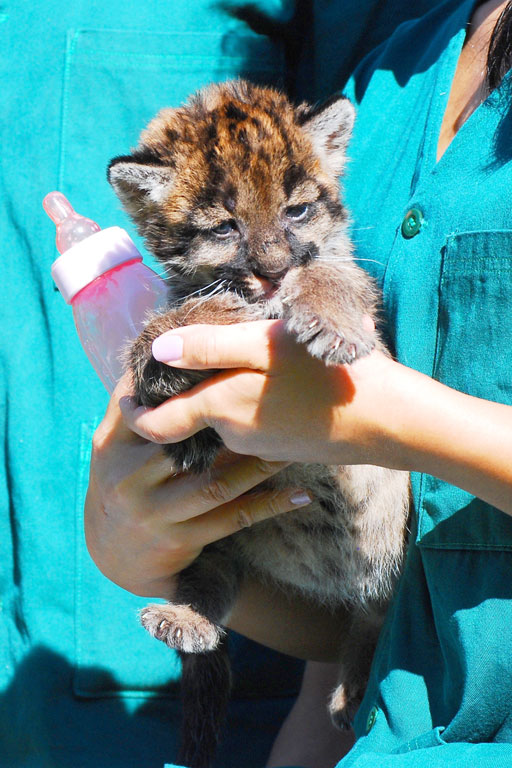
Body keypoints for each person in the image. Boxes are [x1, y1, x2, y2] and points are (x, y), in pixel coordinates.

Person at [84, 0, 512, 766]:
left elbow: (340, 291)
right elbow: (325, 643)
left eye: (288, 223)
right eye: (225, 231)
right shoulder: (393, 74)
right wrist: (139, 550)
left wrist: (386, 420)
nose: (272, 261)